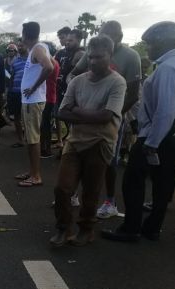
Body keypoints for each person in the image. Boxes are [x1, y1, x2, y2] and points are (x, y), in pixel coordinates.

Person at [101, 21, 175, 242]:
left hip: (159, 135)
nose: (147, 48)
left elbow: (165, 111)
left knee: (132, 180)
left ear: (162, 42)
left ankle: (131, 228)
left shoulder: (168, 68)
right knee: (163, 183)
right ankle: (151, 229)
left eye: (150, 44)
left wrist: (152, 142)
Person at [50, 35, 126, 247]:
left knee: (91, 191)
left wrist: (77, 110)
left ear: (110, 56)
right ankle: (63, 228)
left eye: (99, 57)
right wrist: (89, 114)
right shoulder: (77, 81)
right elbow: (61, 113)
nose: (93, 61)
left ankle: (86, 229)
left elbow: (106, 117)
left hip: (100, 143)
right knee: (62, 188)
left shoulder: (117, 82)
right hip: (75, 141)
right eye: (90, 57)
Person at [69, 21, 142, 219]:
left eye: (109, 39)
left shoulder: (131, 56)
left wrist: (113, 114)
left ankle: (110, 201)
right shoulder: (93, 52)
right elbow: (74, 73)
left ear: (119, 38)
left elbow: (134, 94)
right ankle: (73, 194)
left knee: (108, 160)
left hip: (113, 119)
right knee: (79, 152)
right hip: (86, 115)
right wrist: (75, 94)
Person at [15, 22, 54, 187]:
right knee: (31, 138)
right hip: (31, 101)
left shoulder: (38, 49)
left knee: (33, 140)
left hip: (33, 101)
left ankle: (36, 176)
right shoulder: (39, 48)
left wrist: (33, 88)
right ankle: (32, 171)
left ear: (25, 35)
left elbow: (49, 67)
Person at [55, 29, 85, 150]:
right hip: (60, 90)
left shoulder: (81, 54)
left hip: (73, 93)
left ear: (79, 40)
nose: (67, 43)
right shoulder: (62, 52)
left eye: (71, 41)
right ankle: (65, 143)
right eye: (67, 40)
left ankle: (72, 146)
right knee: (60, 116)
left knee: (72, 119)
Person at [40, 42, 60, 158]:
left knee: (45, 124)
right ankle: (44, 148)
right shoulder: (54, 62)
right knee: (45, 124)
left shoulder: (50, 63)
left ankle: (46, 150)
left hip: (47, 97)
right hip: (48, 96)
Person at [8, 40, 28, 148]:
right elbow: (12, 76)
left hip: (27, 93)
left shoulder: (32, 60)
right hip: (15, 92)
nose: (20, 47)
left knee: (27, 118)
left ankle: (31, 140)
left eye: (22, 45)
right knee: (16, 117)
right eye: (19, 46)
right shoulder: (15, 62)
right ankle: (20, 140)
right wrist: (9, 90)